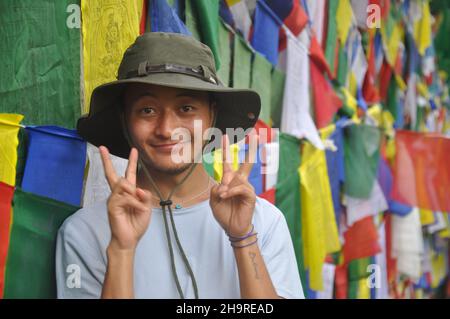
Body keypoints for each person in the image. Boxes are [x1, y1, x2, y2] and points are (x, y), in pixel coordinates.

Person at [56, 32, 304, 299]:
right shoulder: (83, 232)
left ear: (213, 116)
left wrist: (243, 238)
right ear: (124, 119)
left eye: (186, 108)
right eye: (147, 110)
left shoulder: (263, 222)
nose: (167, 129)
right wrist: (121, 251)